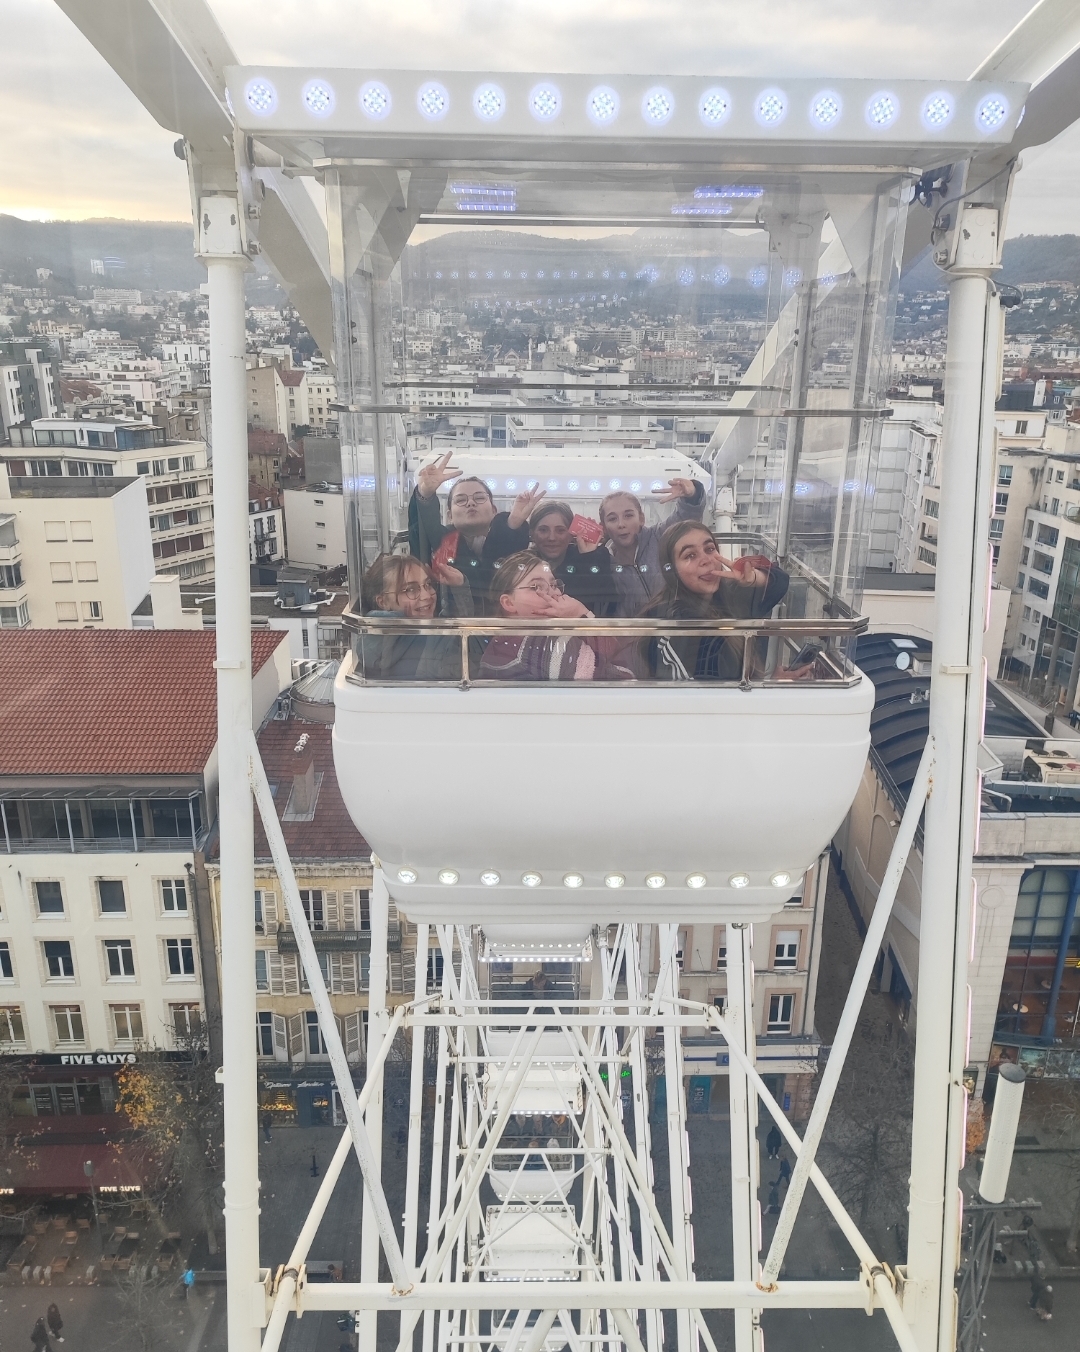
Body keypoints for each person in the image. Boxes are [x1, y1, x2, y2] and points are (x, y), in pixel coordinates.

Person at [640, 521, 790, 681]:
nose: (706, 560)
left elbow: (780, 582)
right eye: (690, 555)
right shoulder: (676, 625)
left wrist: (752, 578)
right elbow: (705, 693)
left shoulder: (727, 594)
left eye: (709, 549)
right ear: (672, 570)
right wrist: (767, 687)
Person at [408, 452, 541, 606]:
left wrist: (513, 523)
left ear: (494, 510)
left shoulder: (510, 542)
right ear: (450, 515)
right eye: (461, 500)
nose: (470, 503)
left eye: (479, 498)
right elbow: (422, 531)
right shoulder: (440, 543)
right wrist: (425, 495)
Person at [478, 553, 633, 682]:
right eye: (536, 587)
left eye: (553, 585)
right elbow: (623, 677)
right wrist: (582, 615)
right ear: (509, 603)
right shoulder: (549, 647)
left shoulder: (498, 645)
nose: (554, 593)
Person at [600, 477, 706, 617]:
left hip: (679, 624)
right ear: (604, 527)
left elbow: (684, 519)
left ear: (641, 519)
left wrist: (692, 496)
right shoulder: (604, 563)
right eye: (612, 519)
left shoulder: (660, 535)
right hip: (638, 630)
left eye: (628, 515)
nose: (621, 524)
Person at [358, 553, 470, 681]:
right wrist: (460, 589)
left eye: (428, 584)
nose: (426, 596)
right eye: (410, 590)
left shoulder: (369, 641)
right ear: (383, 602)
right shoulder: (431, 639)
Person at [528, 500, 617, 616]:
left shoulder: (595, 557)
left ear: (571, 534)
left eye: (560, 530)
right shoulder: (521, 563)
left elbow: (608, 605)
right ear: (532, 533)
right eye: (543, 530)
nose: (551, 537)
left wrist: (588, 557)